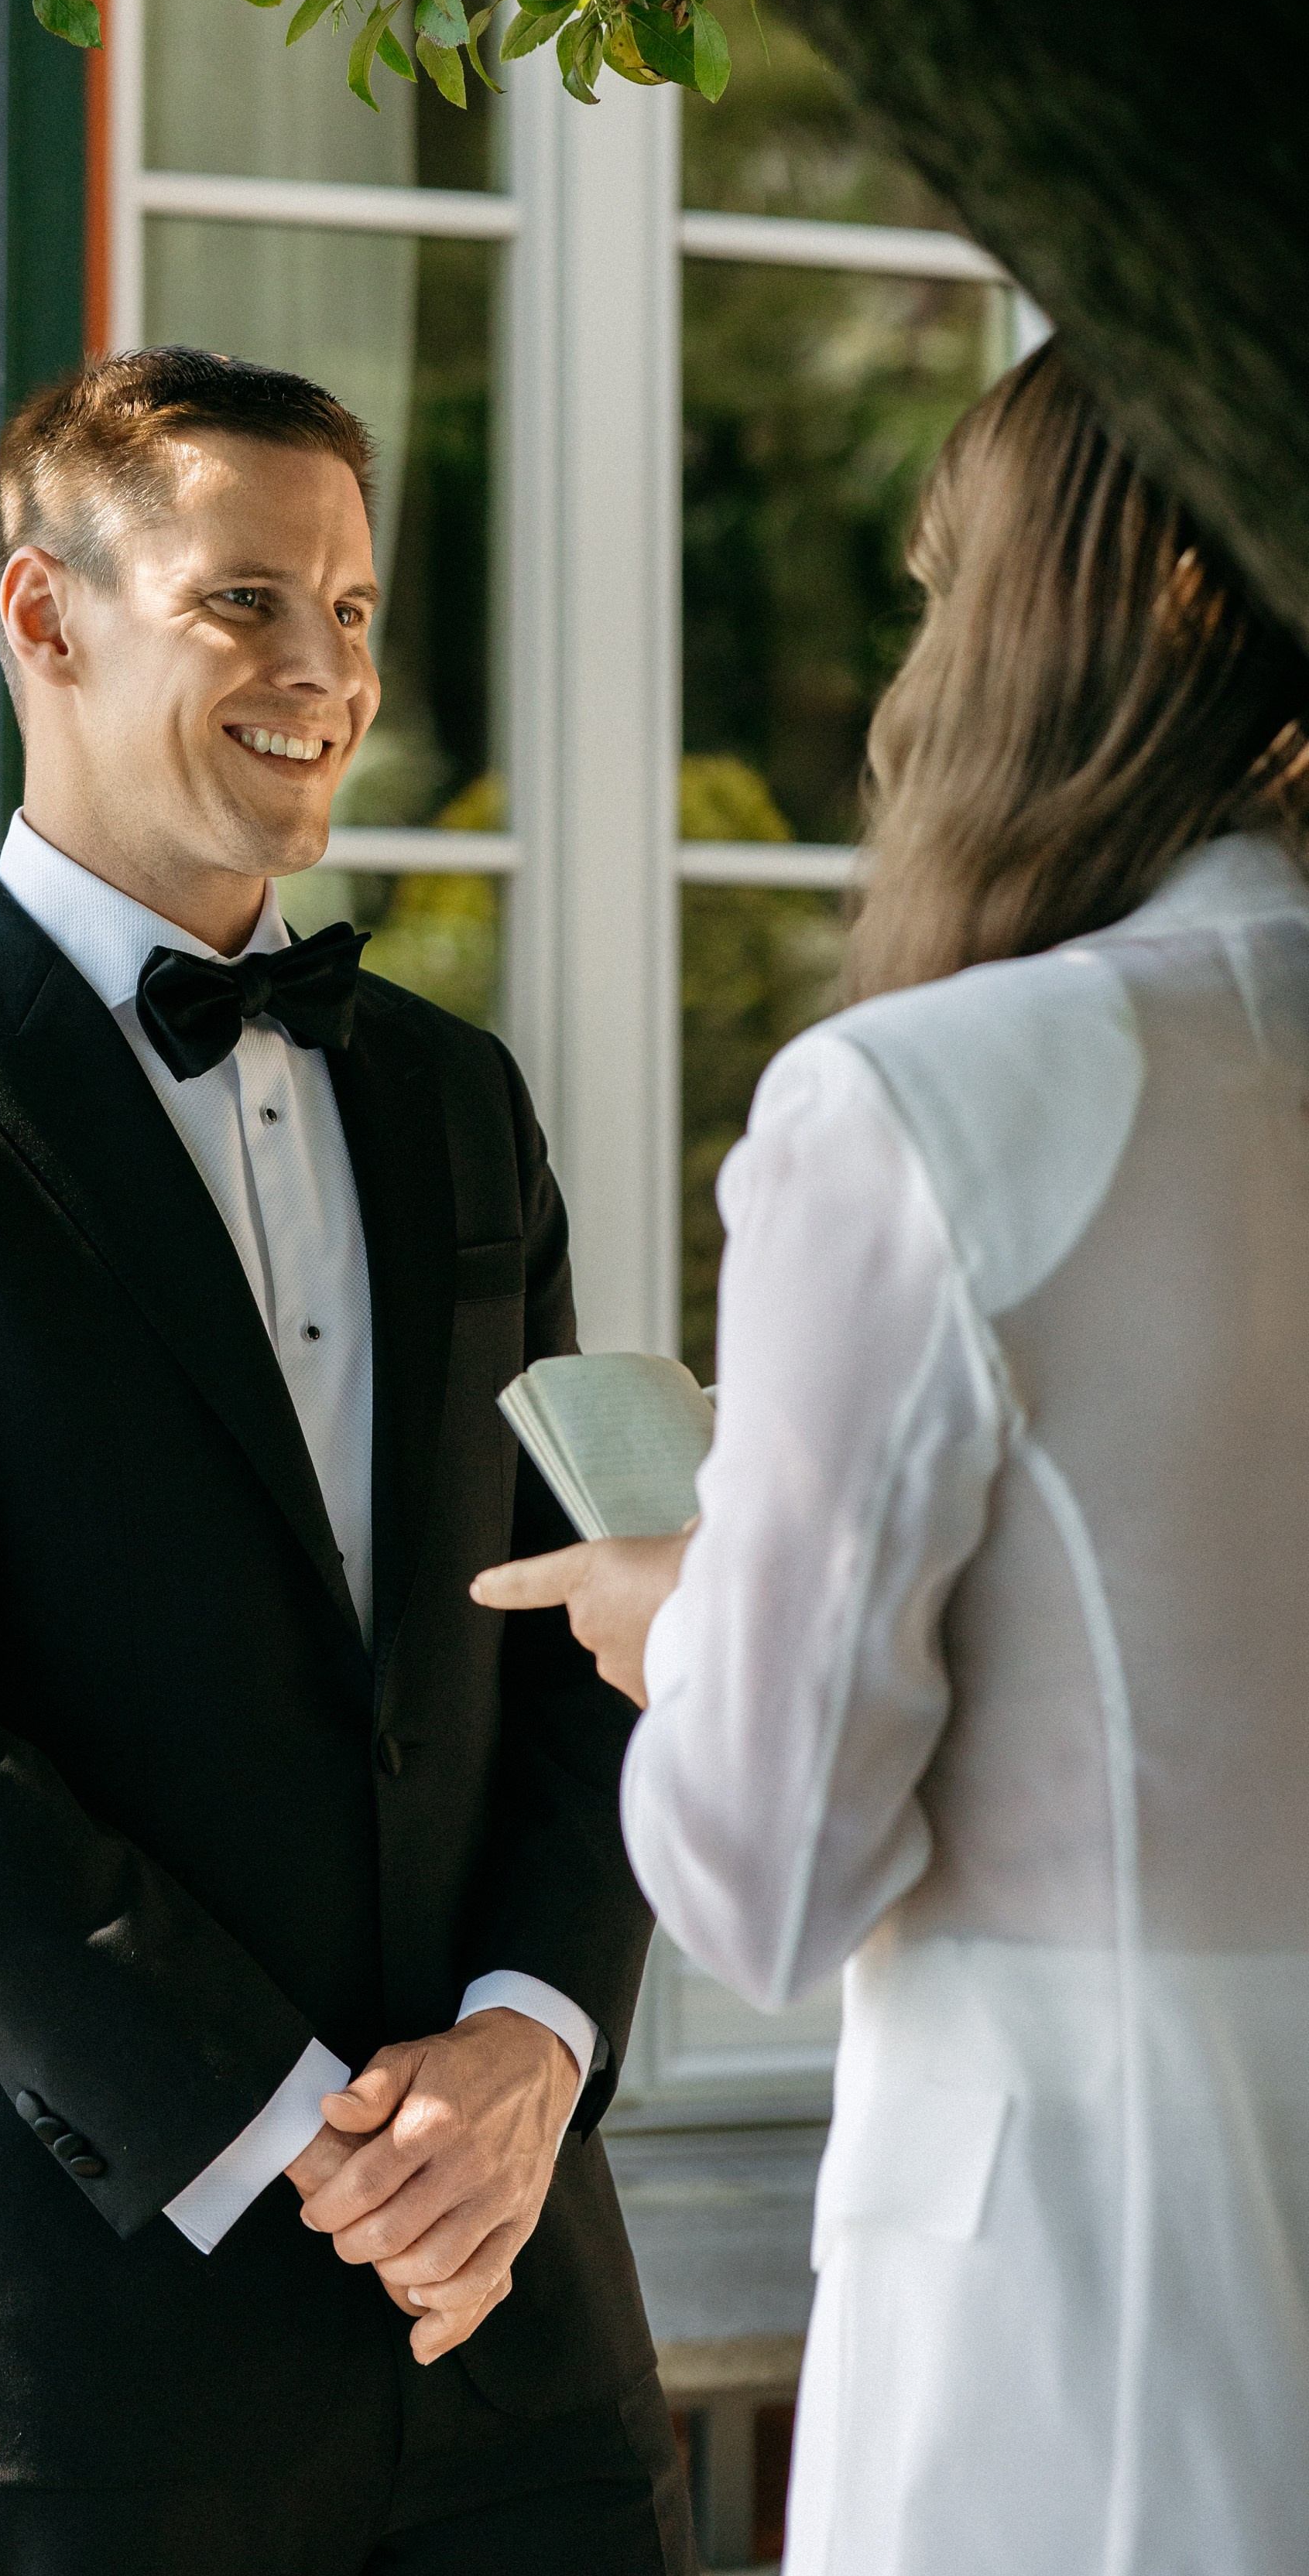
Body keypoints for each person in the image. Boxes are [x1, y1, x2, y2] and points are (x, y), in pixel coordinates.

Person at [0, 348, 691, 2576]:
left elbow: (601, 1613)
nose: (326, 670)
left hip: (511, 2335)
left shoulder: (456, 1100)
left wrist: (532, 2041)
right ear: (46, 620)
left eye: (353, 606)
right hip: (70, 2342)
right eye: (246, 602)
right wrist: (303, 2138)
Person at [476, 338, 1309, 2575]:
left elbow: (769, 1875)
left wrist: (683, 1616)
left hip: (1086, 2310)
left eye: (942, 595)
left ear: (1052, 631)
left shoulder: (923, 1104)